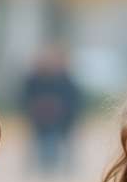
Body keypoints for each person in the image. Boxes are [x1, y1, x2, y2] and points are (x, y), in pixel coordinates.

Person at [22, 45, 82, 173]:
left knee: (58, 140)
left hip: (61, 116)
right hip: (42, 116)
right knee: (43, 139)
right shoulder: (37, 79)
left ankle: (59, 164)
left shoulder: (63, 79)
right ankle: (46, 165)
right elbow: (27, 97)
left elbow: (72, 98)